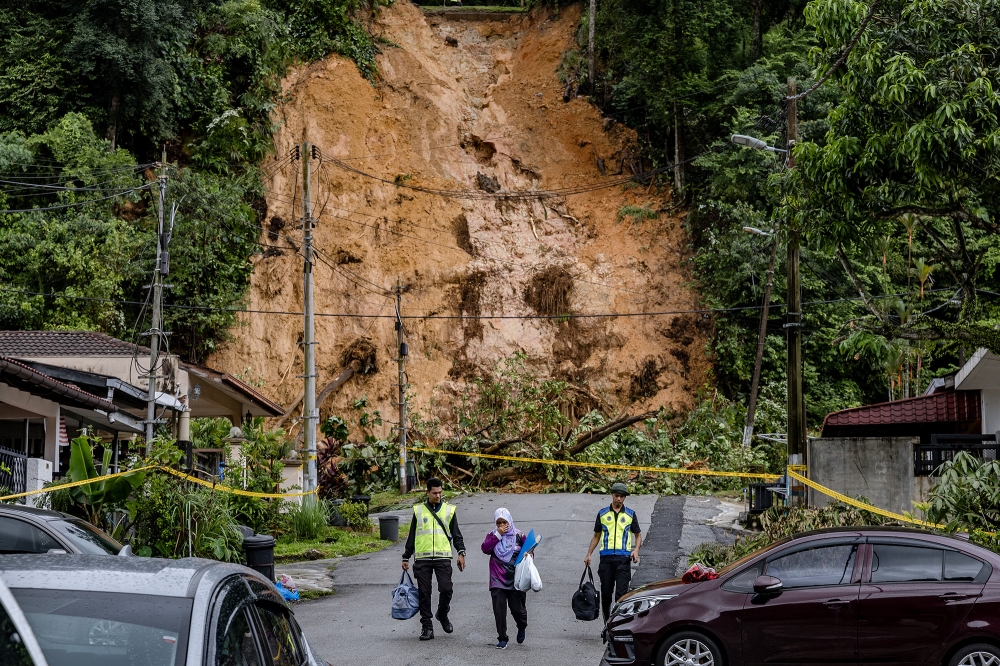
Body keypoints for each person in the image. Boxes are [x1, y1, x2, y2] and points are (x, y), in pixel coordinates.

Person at [402, 478, 466, 641]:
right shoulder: (419, 511)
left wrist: (461, 552)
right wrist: (406, 556)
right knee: (424, 593)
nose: (438, 495)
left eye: (440, 492)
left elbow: (456, 534)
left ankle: (442, 614)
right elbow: (412, 536)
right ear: (427, 492)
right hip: (422, 558)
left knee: (446, 589)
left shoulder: (449, 510)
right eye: (434, 493)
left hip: (443, 557)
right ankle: (427, 627)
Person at [584, 482, 642, 623]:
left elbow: (638, 535)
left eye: (622, 497)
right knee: (606, 596)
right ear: (612, 495)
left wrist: (636, 550)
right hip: (606, 560)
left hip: (623, 560)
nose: (619, 499)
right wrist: (589, 554)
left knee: (621, 596)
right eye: (617, 496)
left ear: (624, 498)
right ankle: (606, 625)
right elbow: (596, 536)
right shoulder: (603, 514)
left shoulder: (630, 514)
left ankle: (616, 625)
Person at [481, 508, 528, 650]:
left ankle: (522, 625)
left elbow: (530, 551)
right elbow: (485, 549)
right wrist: (498, 535)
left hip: (515, 579)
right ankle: (502, 638)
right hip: (497, 579)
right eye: (499, 523)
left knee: (517, 610)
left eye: (504, 522)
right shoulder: (492, 535)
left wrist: (528, 555)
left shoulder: (520, 535)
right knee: (499, 609)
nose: (502, 525)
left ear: (510, 521)